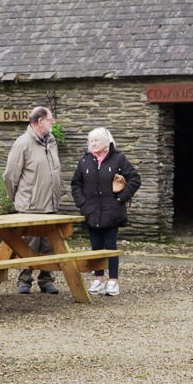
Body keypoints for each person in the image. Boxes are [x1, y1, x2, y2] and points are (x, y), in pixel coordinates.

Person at [70, 127, 141, 297]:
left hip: (112, 211)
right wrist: (83, 204)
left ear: (107, 142)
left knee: (110, 246)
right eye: (91, 140)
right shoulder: (85, 161)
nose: (93, 143)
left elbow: (135, 179)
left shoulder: (118, 159)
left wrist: (120, 199)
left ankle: (113, 281)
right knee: (96, 246)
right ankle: (98, 279)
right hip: (92, 211)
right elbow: (76, 185)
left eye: (96, 140)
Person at [3, 106, 62, 294]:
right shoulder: (22, 143)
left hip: (50, 205)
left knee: (49, 244)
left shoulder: (52, 142)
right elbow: (10, 176)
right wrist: (17, 199)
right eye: (50, 119)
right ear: (40, 121)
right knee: (28, 243)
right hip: (30, 206)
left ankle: (46, 280)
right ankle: (24, 281)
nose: (53, 122)